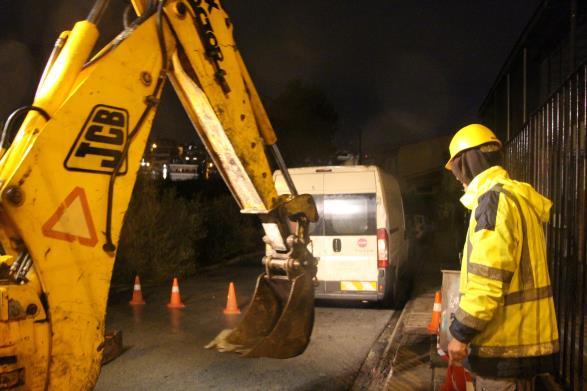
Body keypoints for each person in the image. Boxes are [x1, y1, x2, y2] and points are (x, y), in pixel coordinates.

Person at [445, 124, 559, 390]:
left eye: (458, 170)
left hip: (501, 347)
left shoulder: (492, 203)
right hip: (525, 342)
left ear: (468, 163)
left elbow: (488, 281)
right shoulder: (519, 198)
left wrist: (460, 334)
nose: (458, 179)